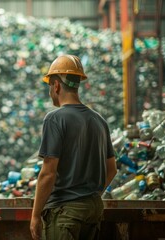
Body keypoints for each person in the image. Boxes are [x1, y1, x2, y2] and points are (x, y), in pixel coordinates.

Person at [30, 55, 117, 240]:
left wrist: (36, 215)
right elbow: (112, 169)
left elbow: (48, 173)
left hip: (66, 212)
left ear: (56, 86)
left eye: (49, 86)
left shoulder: (55, 118)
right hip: (93, 209)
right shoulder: (99, 120)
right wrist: (90, 195)